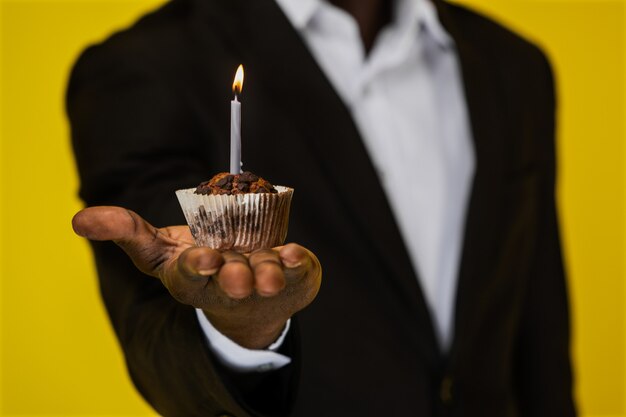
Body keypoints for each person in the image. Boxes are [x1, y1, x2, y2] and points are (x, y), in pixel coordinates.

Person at [68, 0, 576, 415]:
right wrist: (243, 332)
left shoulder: (513, 66)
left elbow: (538, 318)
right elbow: (160, 346)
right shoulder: (144, 67)